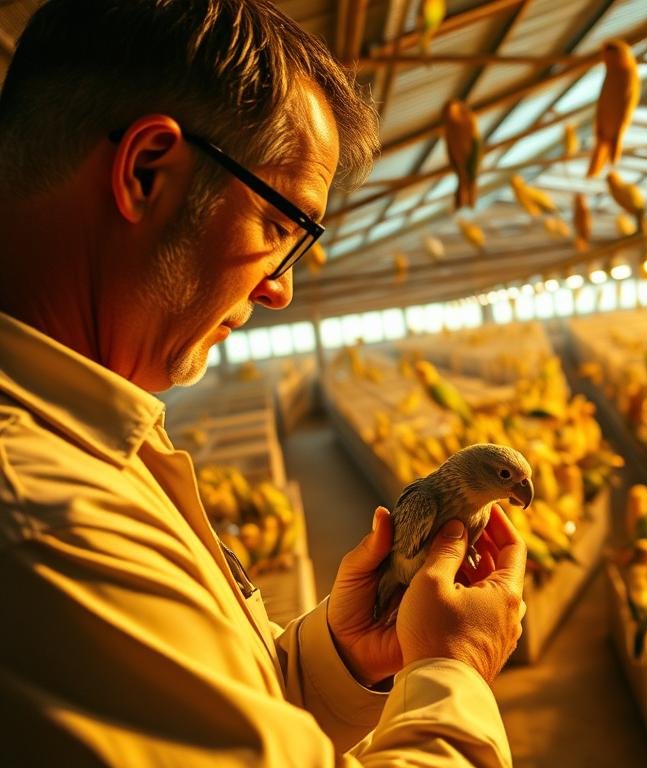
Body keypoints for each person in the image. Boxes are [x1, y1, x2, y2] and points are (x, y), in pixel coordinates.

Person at [0, 1, 526, 765]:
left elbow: (211, 704)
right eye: (282, 228)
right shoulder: (43, 523)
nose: (281, 289)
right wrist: (454, 672)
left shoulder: (92, 440)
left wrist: (338, 658)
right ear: (148, 171)